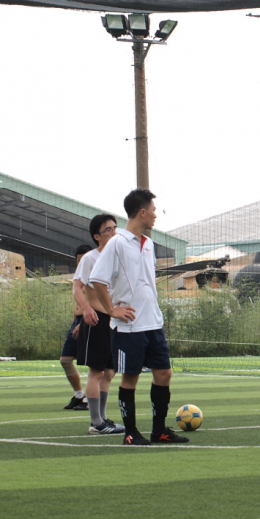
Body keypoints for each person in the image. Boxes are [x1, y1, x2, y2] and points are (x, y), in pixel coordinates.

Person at [90, 188, 188, 445]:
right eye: (154, 210)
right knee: (130, 377)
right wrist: (112, 310)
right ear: (143, 212)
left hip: (153, 323)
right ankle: (131, 433)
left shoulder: (149, 244)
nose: (156, 215)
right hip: (128, 327)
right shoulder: (117, 243)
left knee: (164, 373)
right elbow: (97, 280)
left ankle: (159, 431)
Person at [73, 215, 125, 435]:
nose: (114, 232)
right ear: (97, 236)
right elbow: (77, 287)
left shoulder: (119, 257)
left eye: (115, 228)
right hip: (97, 320)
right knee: (96, 372)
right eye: (108, 230)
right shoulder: (90, 258)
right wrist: (87, 308)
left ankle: (103, 419)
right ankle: (96, 422)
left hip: (115, 321)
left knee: (109, 372)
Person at [61, 244, 92, 410]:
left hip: (89, 320)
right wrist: (75, 321)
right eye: (78, 261)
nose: (81, 263)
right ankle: (79, 395)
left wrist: (83, 323)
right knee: (65, 360)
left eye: (83, 260)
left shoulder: (94, 275)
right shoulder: (78, 276)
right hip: (77, 321)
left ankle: (89, 401)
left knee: (94, 365)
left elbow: (96, 301)